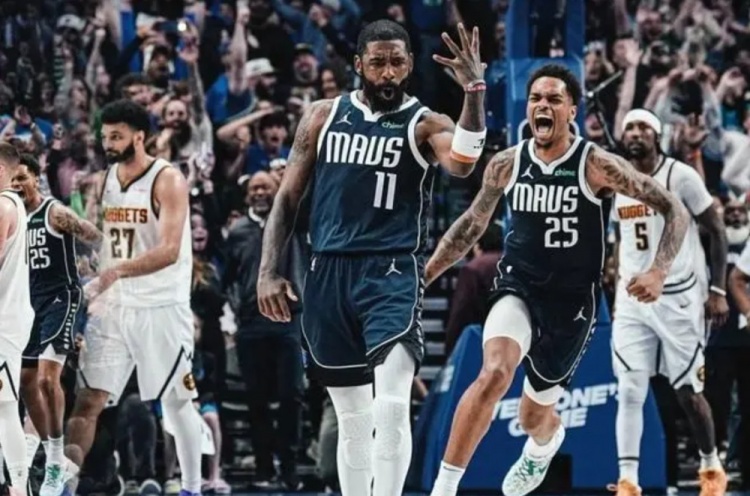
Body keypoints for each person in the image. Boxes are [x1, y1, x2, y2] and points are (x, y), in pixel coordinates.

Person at [426, 64, 692, 496]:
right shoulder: (507, 163)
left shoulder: (598, 164)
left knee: (533, 417)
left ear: (571, 110)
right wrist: (424, 277)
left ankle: (543, 445)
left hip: (571, 305)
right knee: (493, 373)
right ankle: (444, 488)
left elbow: (673, 208)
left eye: (553, 99)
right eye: (536, 98)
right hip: (518, 288)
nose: (542, 106)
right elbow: (471, 225)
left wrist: (659, 270)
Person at [258, 19, 487, 496]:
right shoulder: (322, 115)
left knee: (391, 405)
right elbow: (287, 198)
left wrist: (473, 92)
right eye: (378, 63)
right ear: (359, 64)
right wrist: (269, 272)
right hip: (328, 270)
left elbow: (463, 164)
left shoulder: (426, 122)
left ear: (409, 65)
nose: (387, 73)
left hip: (391, 271)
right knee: (354, 419)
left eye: (397, 62)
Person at [59, 99, 203, 496]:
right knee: (87, 401)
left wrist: (114, 272)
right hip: (115, 307)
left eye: (116, 136)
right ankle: (63, 486)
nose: (108, 143)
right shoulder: (107, 178)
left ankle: (192, 487)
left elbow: (169, 250)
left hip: (160, 306)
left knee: (177, 402)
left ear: (140, 137)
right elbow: (110, 240)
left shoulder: (167, 179)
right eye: (105, 136)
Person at [610, 109, 729, 496]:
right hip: (632, 299)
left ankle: (710, 464)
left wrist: (718, 291)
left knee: (688, 393)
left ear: (657, 135)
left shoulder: (681, 176)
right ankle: (628, 480)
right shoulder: (616, 178)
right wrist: (614, 269)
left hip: (678, 297)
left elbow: (717, 230)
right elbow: (622, 235)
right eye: (629, 127)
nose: (635, 133)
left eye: (643, 127)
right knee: (630, 388)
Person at [9, 154, 102, 496]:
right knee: (27, 382)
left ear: (36, 178)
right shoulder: (12, 217)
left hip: (61, 298)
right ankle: (51, 455)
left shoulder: (54, 212)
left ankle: (53, 461)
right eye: (12, 180)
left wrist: (94, 260)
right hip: (29, 304)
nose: (16, 185)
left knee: (48, 379)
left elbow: (93, 235)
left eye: (22, 178)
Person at [0, 142, 33, 496]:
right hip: (12, 316)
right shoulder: (15, 204)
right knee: (5, 408)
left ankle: (20, 489)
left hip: (4, 322)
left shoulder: (3, 205)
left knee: (6, 408)